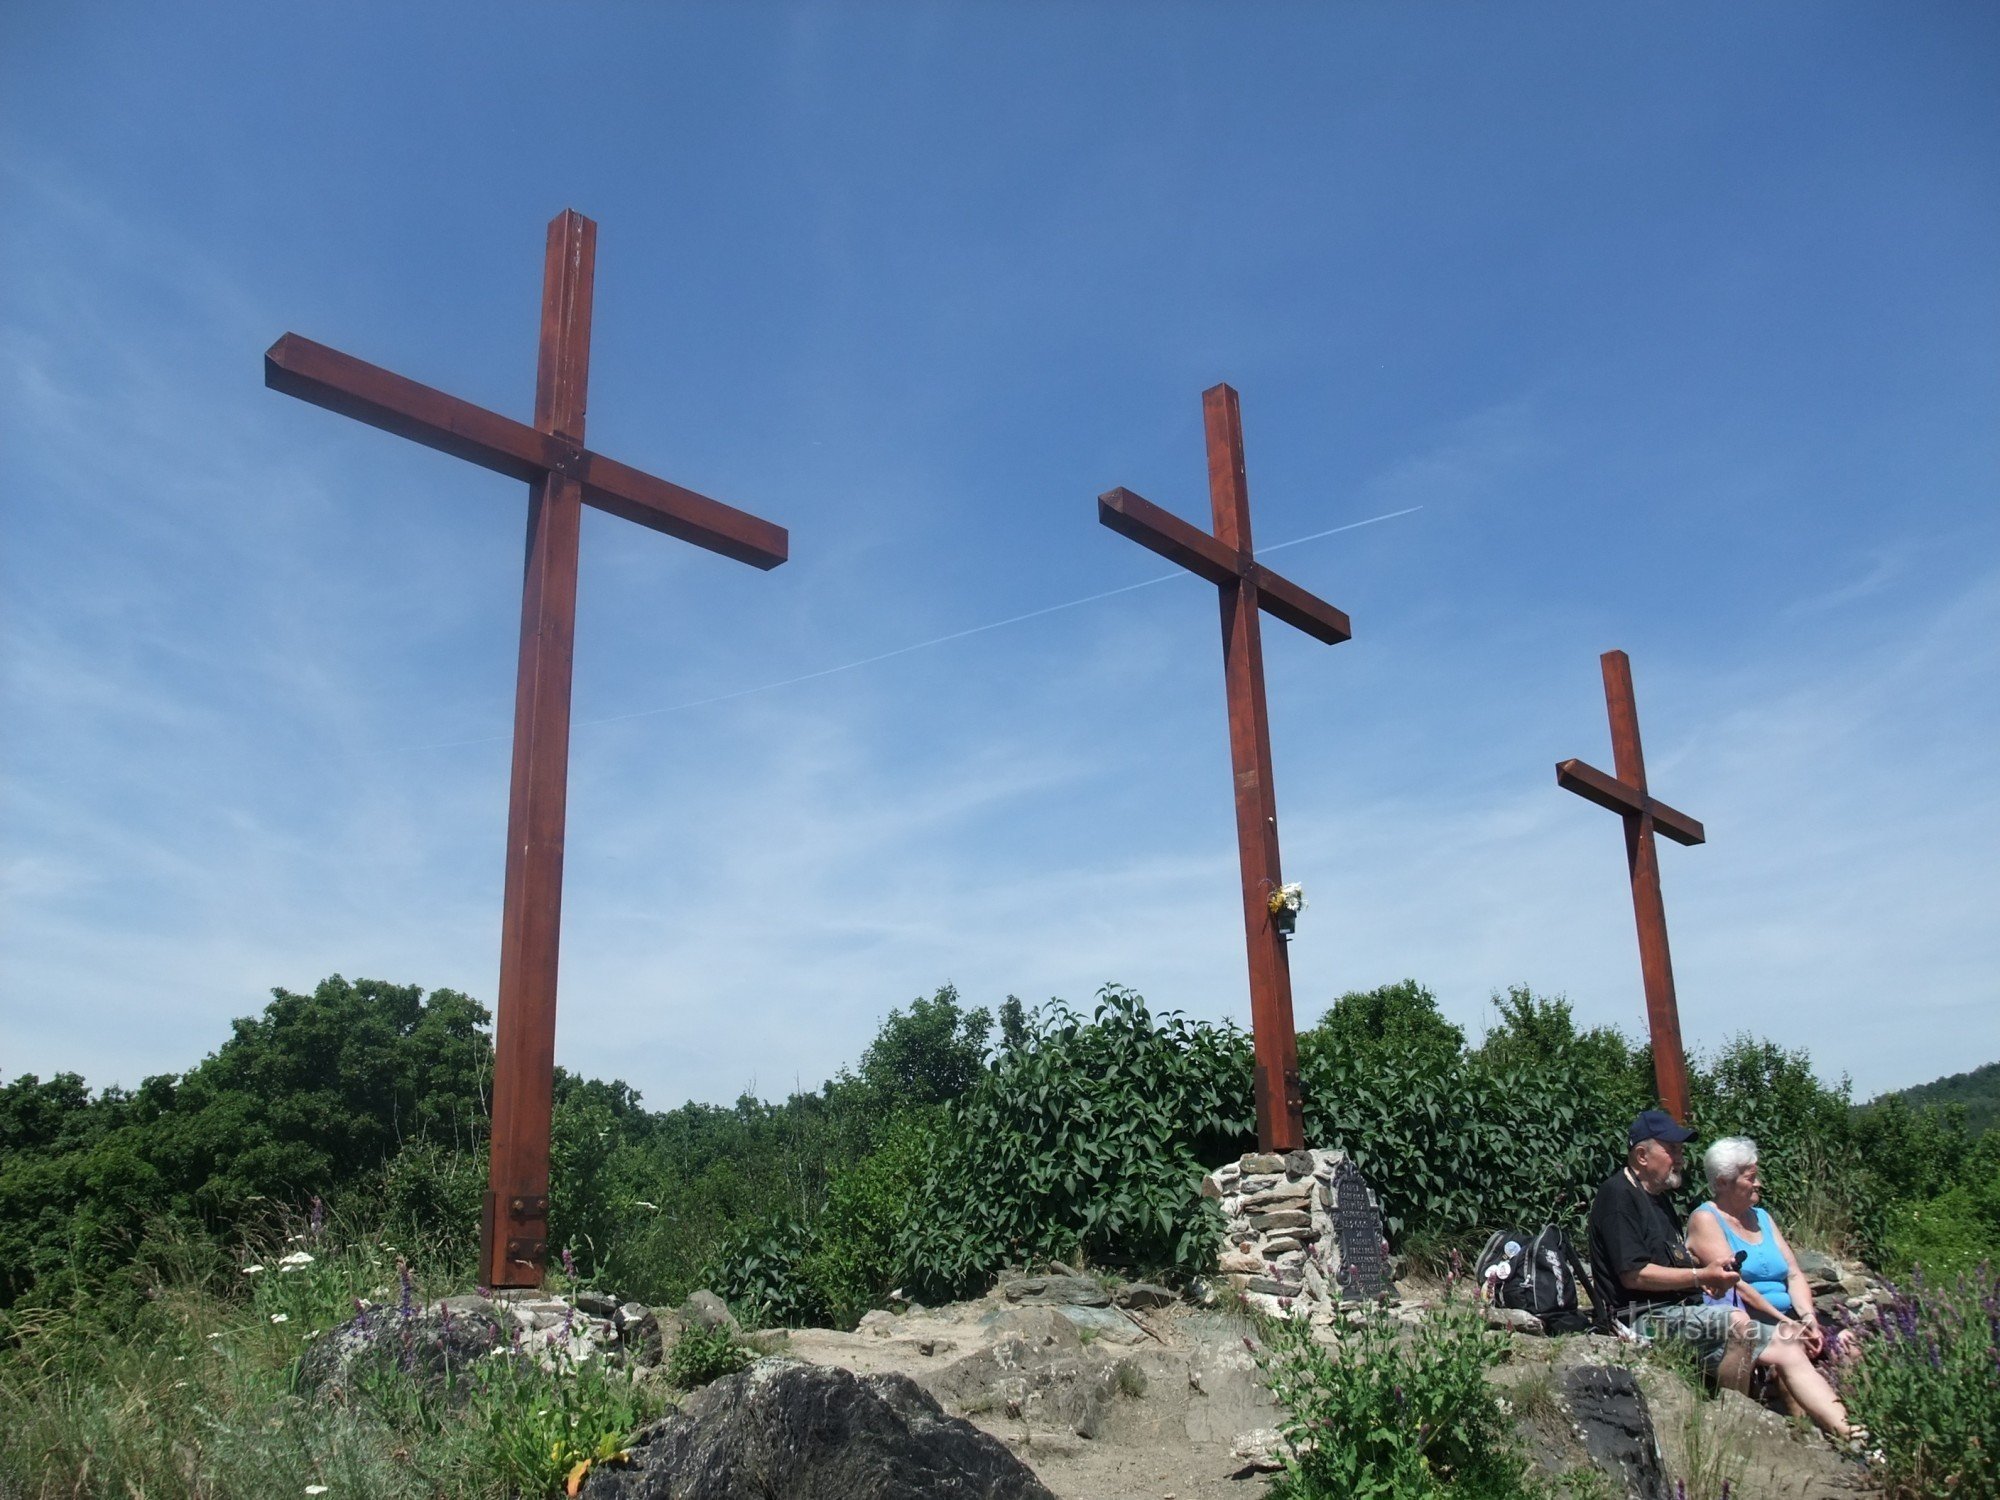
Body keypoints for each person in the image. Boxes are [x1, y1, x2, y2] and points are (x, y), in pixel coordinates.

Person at [1586, 1109, 1853, 1440]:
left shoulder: (1658, 1201)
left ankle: (1853, 1434)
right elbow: (1634, 1275)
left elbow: (1675, 1265)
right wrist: (1700, 1276)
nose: (1681, 1158)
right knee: (1737, 1324)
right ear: (1642, 1155)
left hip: (1679, 1312)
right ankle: (1739, 1427)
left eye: (1680, 1150)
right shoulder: (1618, 1196)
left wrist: (1709, 1279)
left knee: (1788, 1345)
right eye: (1673, 1150)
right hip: (1640, 1319)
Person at [1687, 1136, 1842, 1365]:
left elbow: (1793, 1273)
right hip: (1752, 1323)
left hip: (1789, 1317)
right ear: (1722, 1182)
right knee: (1797, 1350)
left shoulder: (1762, 1217)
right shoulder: (1706, 1219)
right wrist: (1788, 1323)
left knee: (1848, 1342)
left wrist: (1808, 1319)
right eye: (1750, 1178)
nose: (1758, 1183)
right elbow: (1737, 1286)